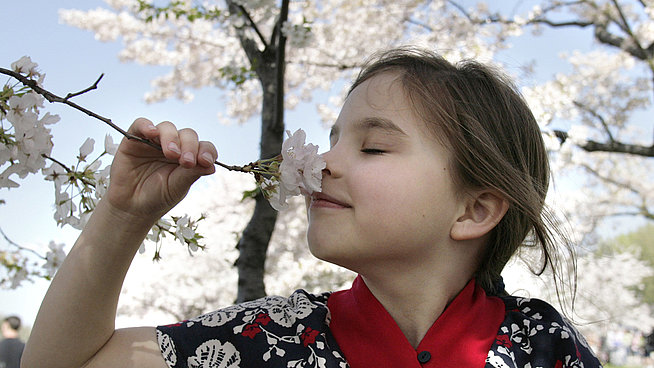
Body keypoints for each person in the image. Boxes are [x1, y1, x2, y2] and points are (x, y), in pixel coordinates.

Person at [21, 47, 602, 367]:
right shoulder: (263, 339)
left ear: (475, 210)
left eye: (372, 146)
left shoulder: (547, 351)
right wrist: (123, 216)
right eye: (332, 137)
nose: (325, 162)